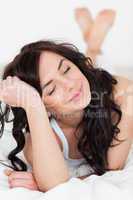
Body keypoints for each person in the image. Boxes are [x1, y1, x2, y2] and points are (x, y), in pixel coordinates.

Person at [0, 40, 133, 192]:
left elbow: (112, 166)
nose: (69, 84)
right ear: (44, 107)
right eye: (52, 89)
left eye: (66, 69)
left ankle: (94, 46)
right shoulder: (40, 137)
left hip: (101, 84)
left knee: (99, 70)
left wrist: (40, 182)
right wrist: (33, 105)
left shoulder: (124, 93)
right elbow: (55, 185)